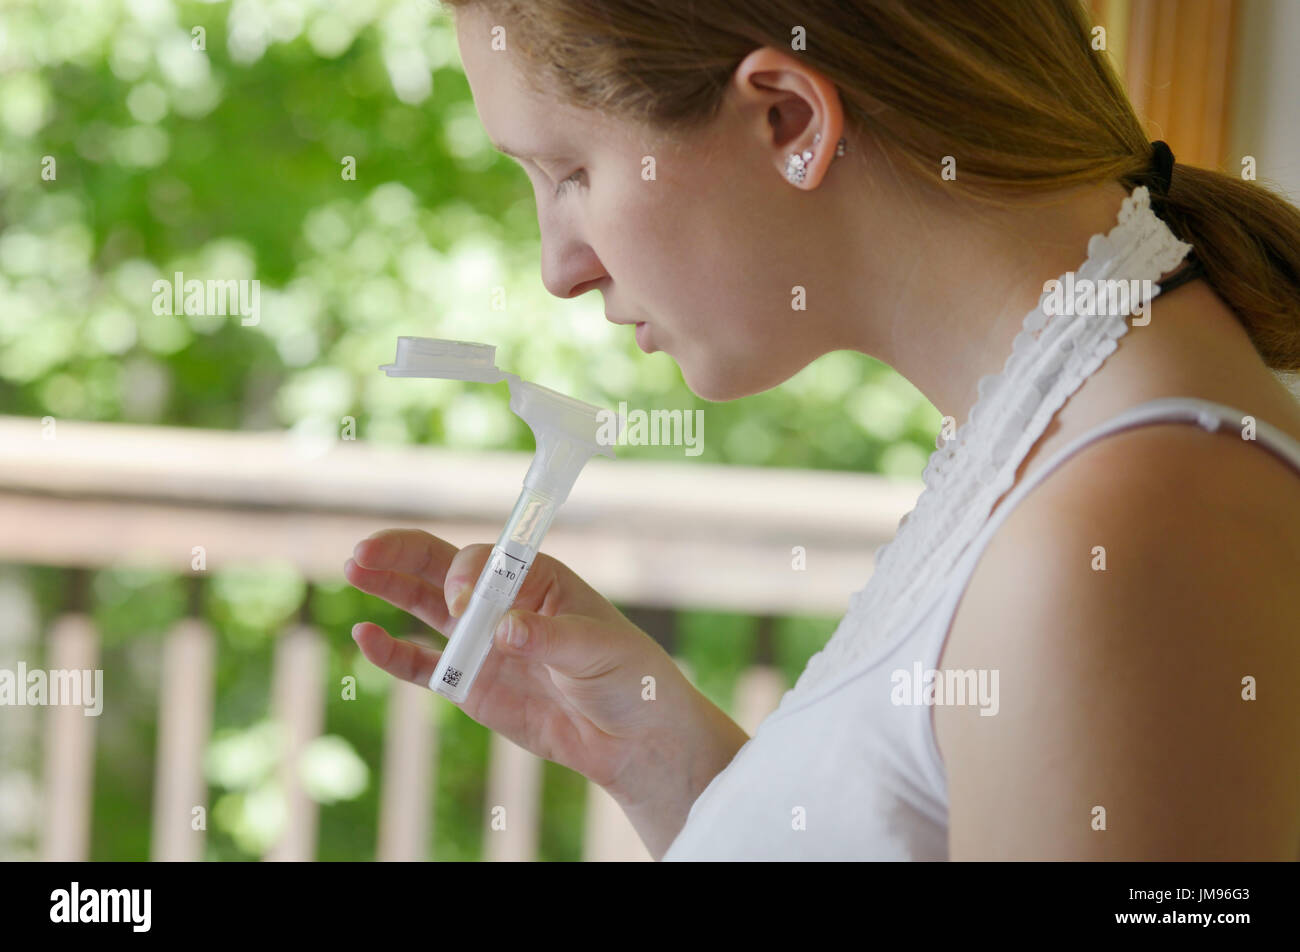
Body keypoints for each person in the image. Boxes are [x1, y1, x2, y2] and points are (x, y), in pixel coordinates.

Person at [343, 1, 1300, 859]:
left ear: (789, 119)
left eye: (568, 172)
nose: (560, 269)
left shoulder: (1123, 539)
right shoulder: (1044, 448)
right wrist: (672, 771)